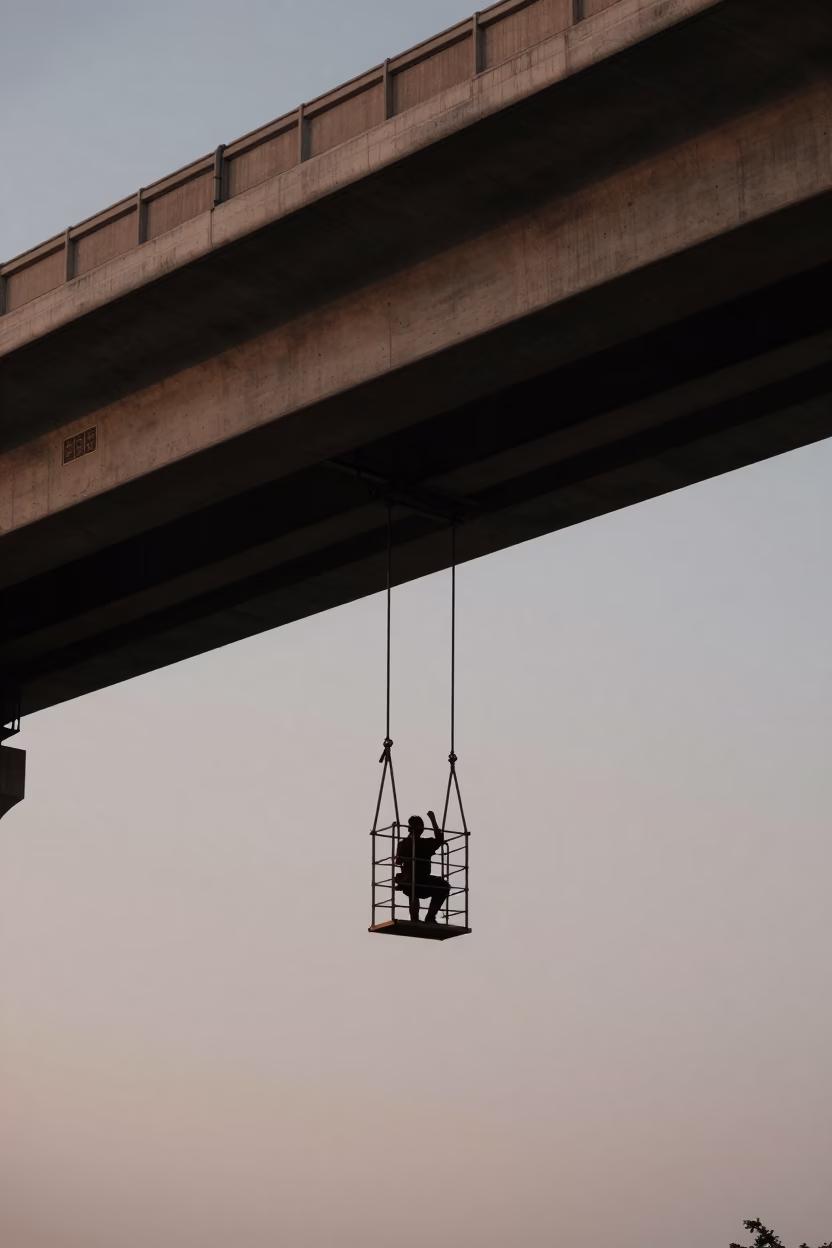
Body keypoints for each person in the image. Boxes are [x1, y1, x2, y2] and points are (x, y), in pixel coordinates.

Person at [395, 810, 450, 924]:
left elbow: (439, 840)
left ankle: (430, 917)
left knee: (443, 886)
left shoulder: (426, 843)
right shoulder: (404, 843)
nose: (419, 830)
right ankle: (414, 918)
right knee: (412, 886)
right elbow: (398, 861)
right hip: (409, 880)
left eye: (421, 828)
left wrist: (433, 819)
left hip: (424, 880)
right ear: (410, 828)